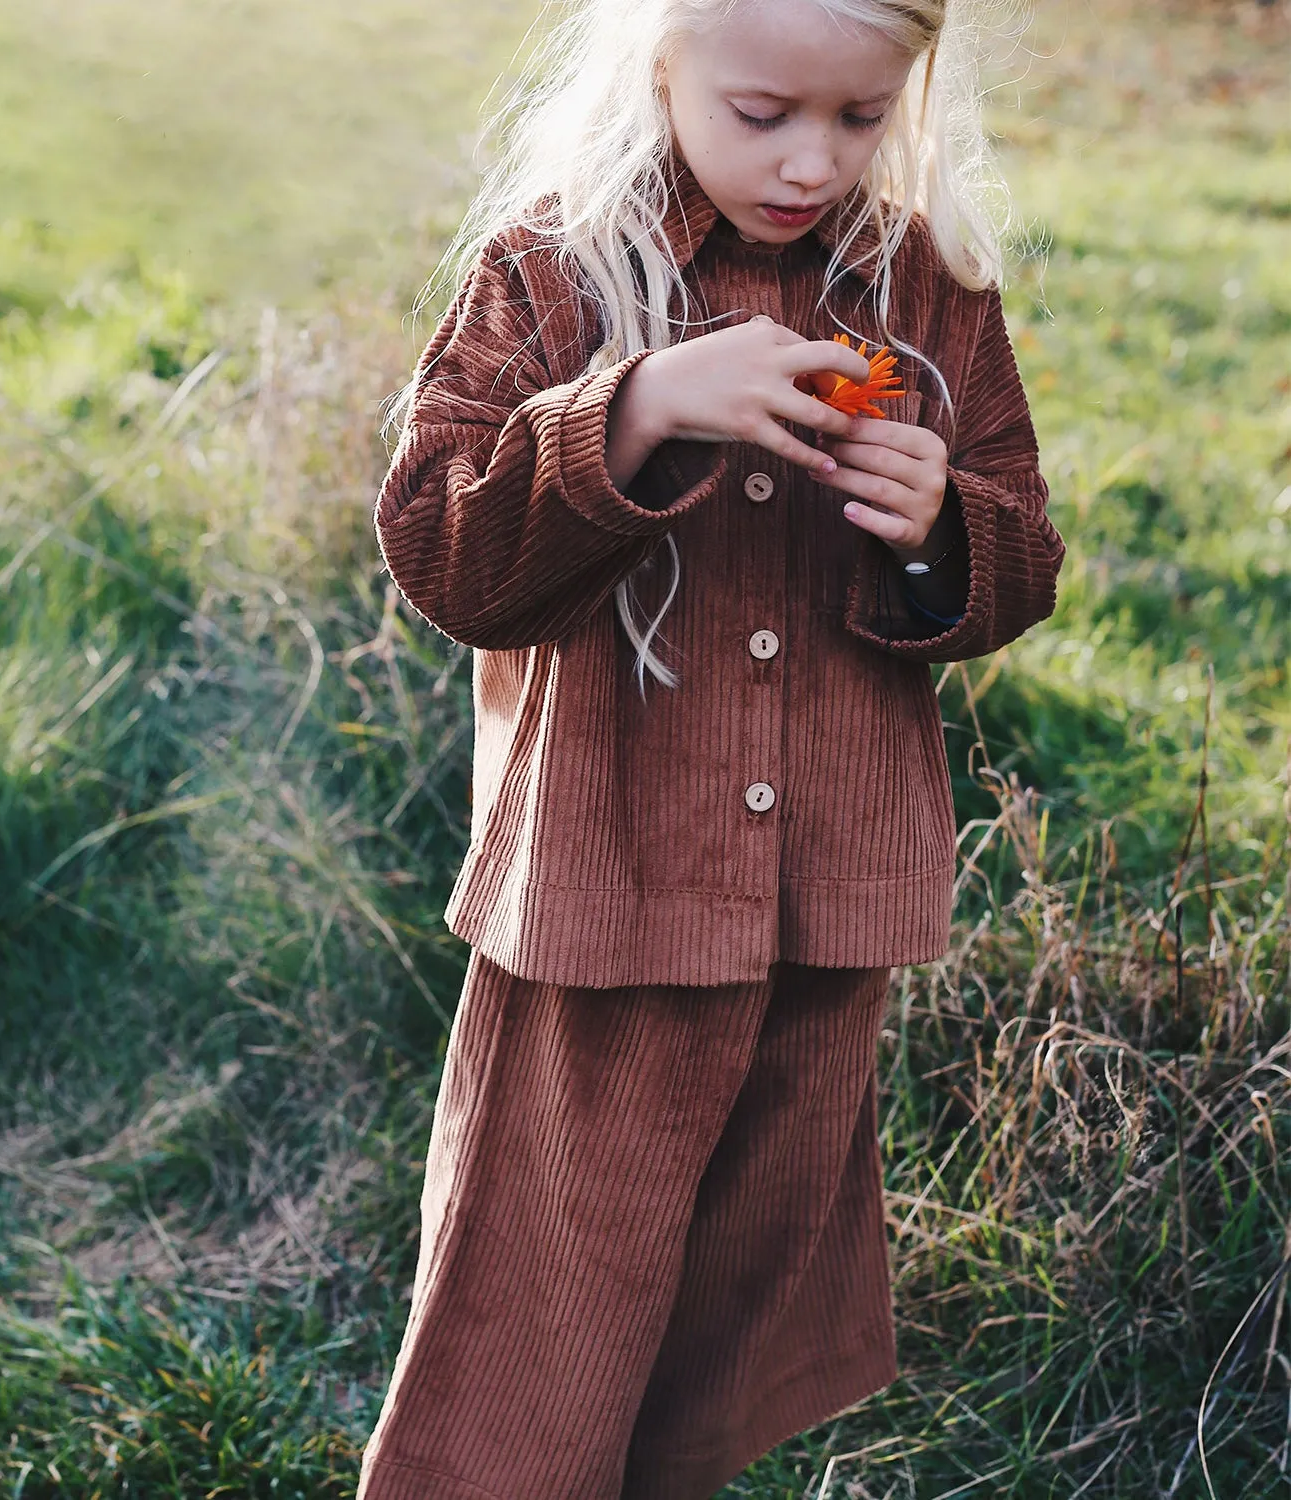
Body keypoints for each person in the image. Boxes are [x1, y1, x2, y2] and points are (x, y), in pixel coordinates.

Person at [358, 0, 1064, 1495]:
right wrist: (629, 417)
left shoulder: (923, 288)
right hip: (604, 899)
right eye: (763, 114)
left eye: (862, 118)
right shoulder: (555, 269)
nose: (814, 161)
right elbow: (441, 553)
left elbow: (1020, 560)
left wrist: (945, 526)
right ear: (659, 63)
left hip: (824, 902)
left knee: (735, 1304)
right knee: (538, 1303)